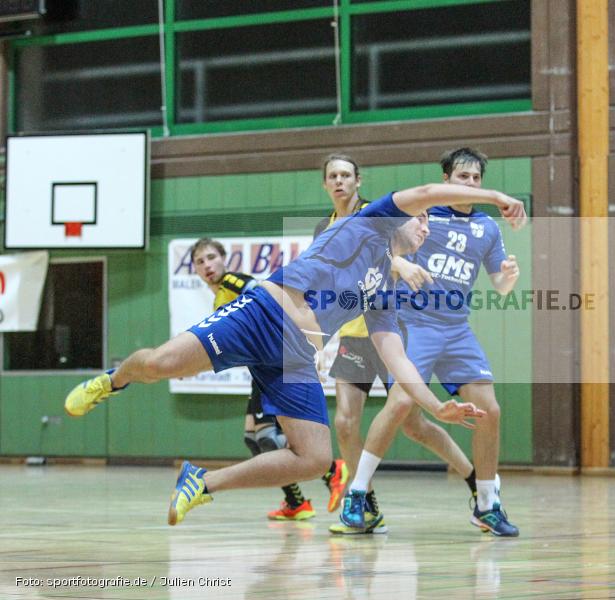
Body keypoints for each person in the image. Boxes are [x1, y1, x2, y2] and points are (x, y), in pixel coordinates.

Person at [64, 179, 526, 527]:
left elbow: (396, 356)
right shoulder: (367, 225)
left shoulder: (386, 287)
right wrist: (497, 197)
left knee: (315, 459)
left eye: (429, 221)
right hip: (262, 314)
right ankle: (113, 380)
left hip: (296, 357)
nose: (426, 225)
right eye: (422, 218)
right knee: (159, 365)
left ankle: (203, 481)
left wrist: (435, 405)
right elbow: (426, 190)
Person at [337, 147, 521, 537]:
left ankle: (487, 503)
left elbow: (501, 287)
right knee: (403, 403)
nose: (470, 184)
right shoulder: (422, 216)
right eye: (462, 177)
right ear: (445, 179)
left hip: (456, 328)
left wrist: (508, 277)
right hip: (411, 324)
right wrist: (397, 261)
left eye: (476, 179)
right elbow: (370, 243)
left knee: (490, 409)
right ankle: (357, 492)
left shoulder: (487, 228)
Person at [190, 237, 347, 521]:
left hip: (277, 361)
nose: (207, 265)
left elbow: (274, 302)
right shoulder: (219, 297)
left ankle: (332, 471)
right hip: (261, 367)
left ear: (224, 259)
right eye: (200, 262)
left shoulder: (234, 283)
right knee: (253, 439)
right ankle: (296, 502)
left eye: (212, 257)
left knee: (267, 436)